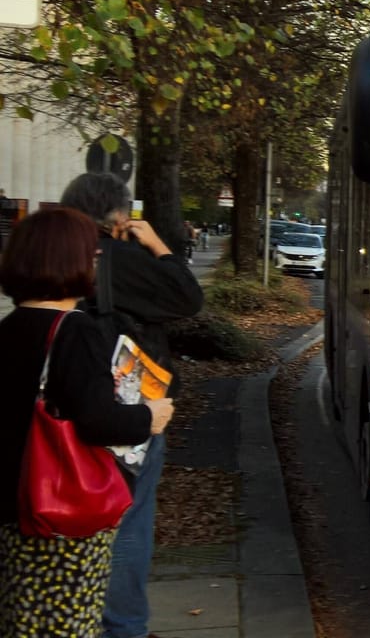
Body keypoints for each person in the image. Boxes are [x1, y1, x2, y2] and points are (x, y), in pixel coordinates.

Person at [0, 208, 176, 638]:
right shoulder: (74, 330)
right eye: (92, 255)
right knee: (66, 623)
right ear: (70, 261)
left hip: (12, 508)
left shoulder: (9, 327)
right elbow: (98, 420)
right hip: (61, 517)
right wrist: (148, 417)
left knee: (23, 619)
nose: (96, 263)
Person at [60, 172, 204, 638]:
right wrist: (159, 244)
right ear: (120, 215)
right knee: (130, 519)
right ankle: (123, 627)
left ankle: (76, 615)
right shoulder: (121, 258)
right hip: (130, 405)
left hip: (67, 398)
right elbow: (188, 298)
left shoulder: (60, 254)